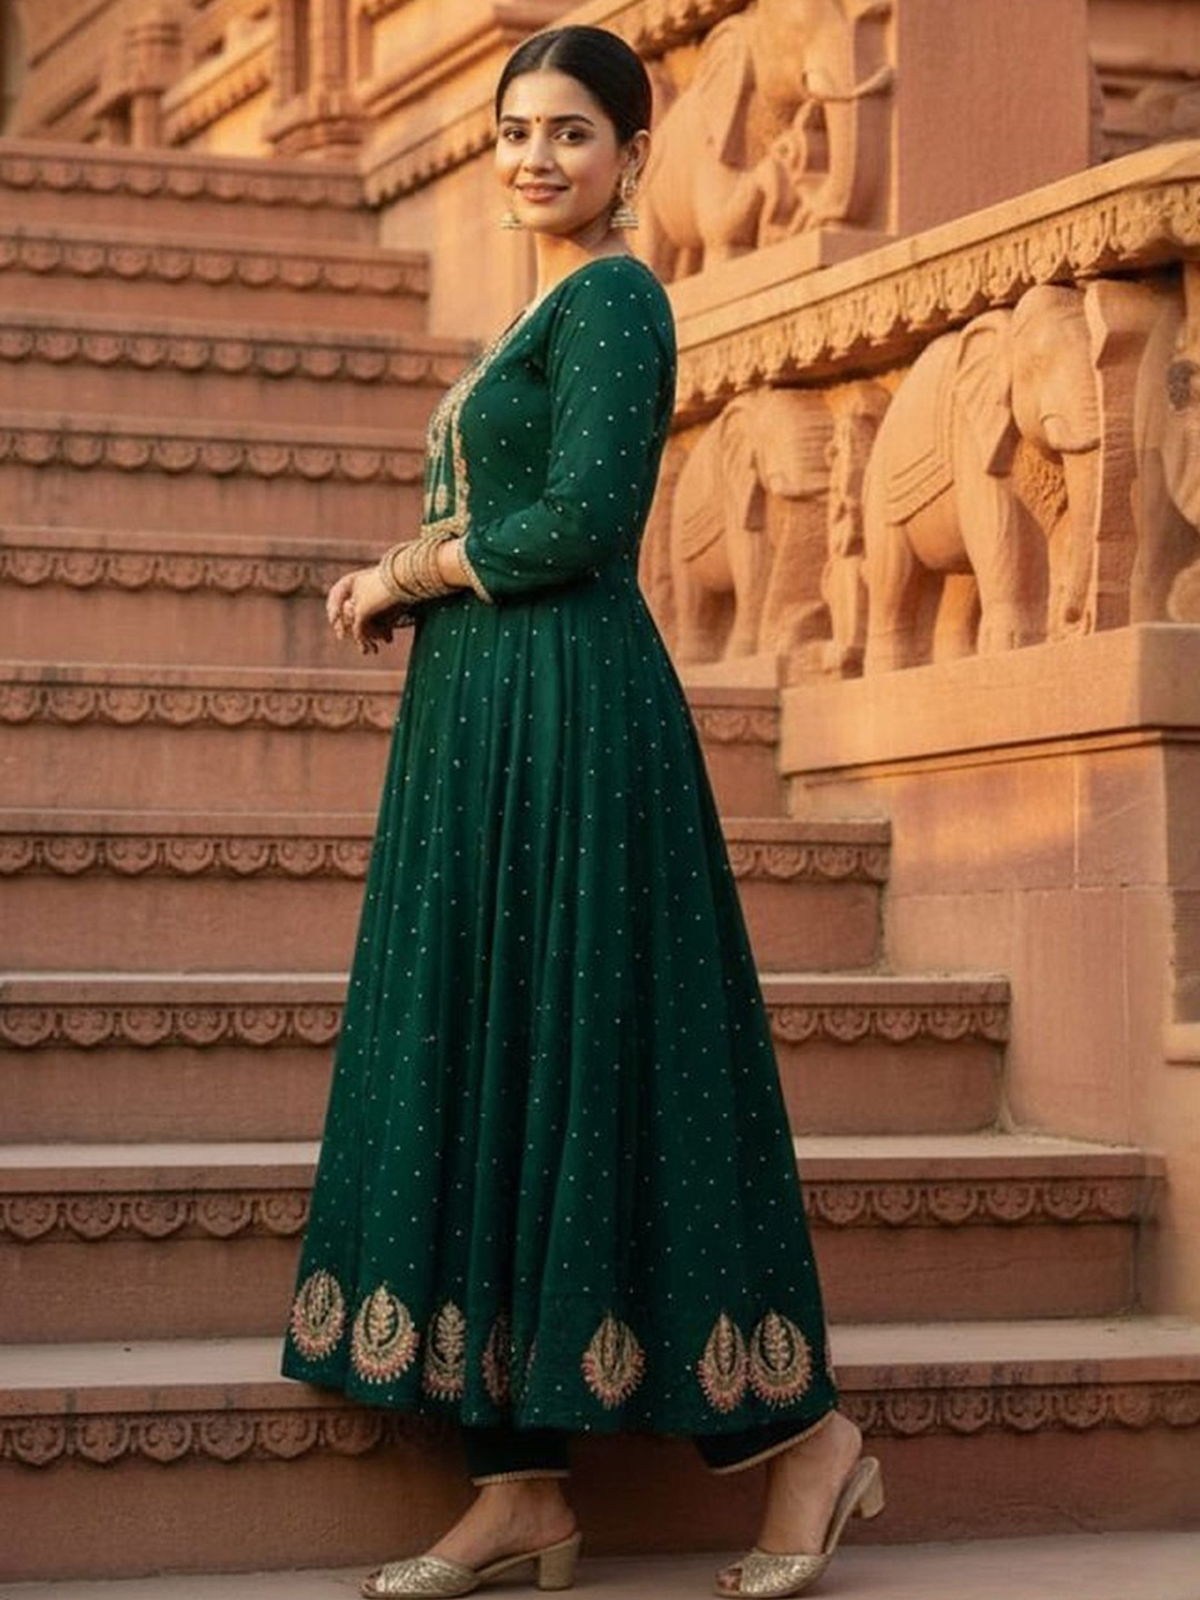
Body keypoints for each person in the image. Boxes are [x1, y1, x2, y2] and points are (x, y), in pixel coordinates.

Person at [281, 23, 882, 1599]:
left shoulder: (619, 297)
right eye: (515, 129)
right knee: (487, 1054)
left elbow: (583, 517)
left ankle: (808, 1442)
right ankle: (519, 1491)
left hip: (573, 726)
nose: (536, 156)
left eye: (569, 132)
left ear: (630, 152)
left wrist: (400, 574)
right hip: (483, 731)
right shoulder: (536, 308)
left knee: (611, 1064)